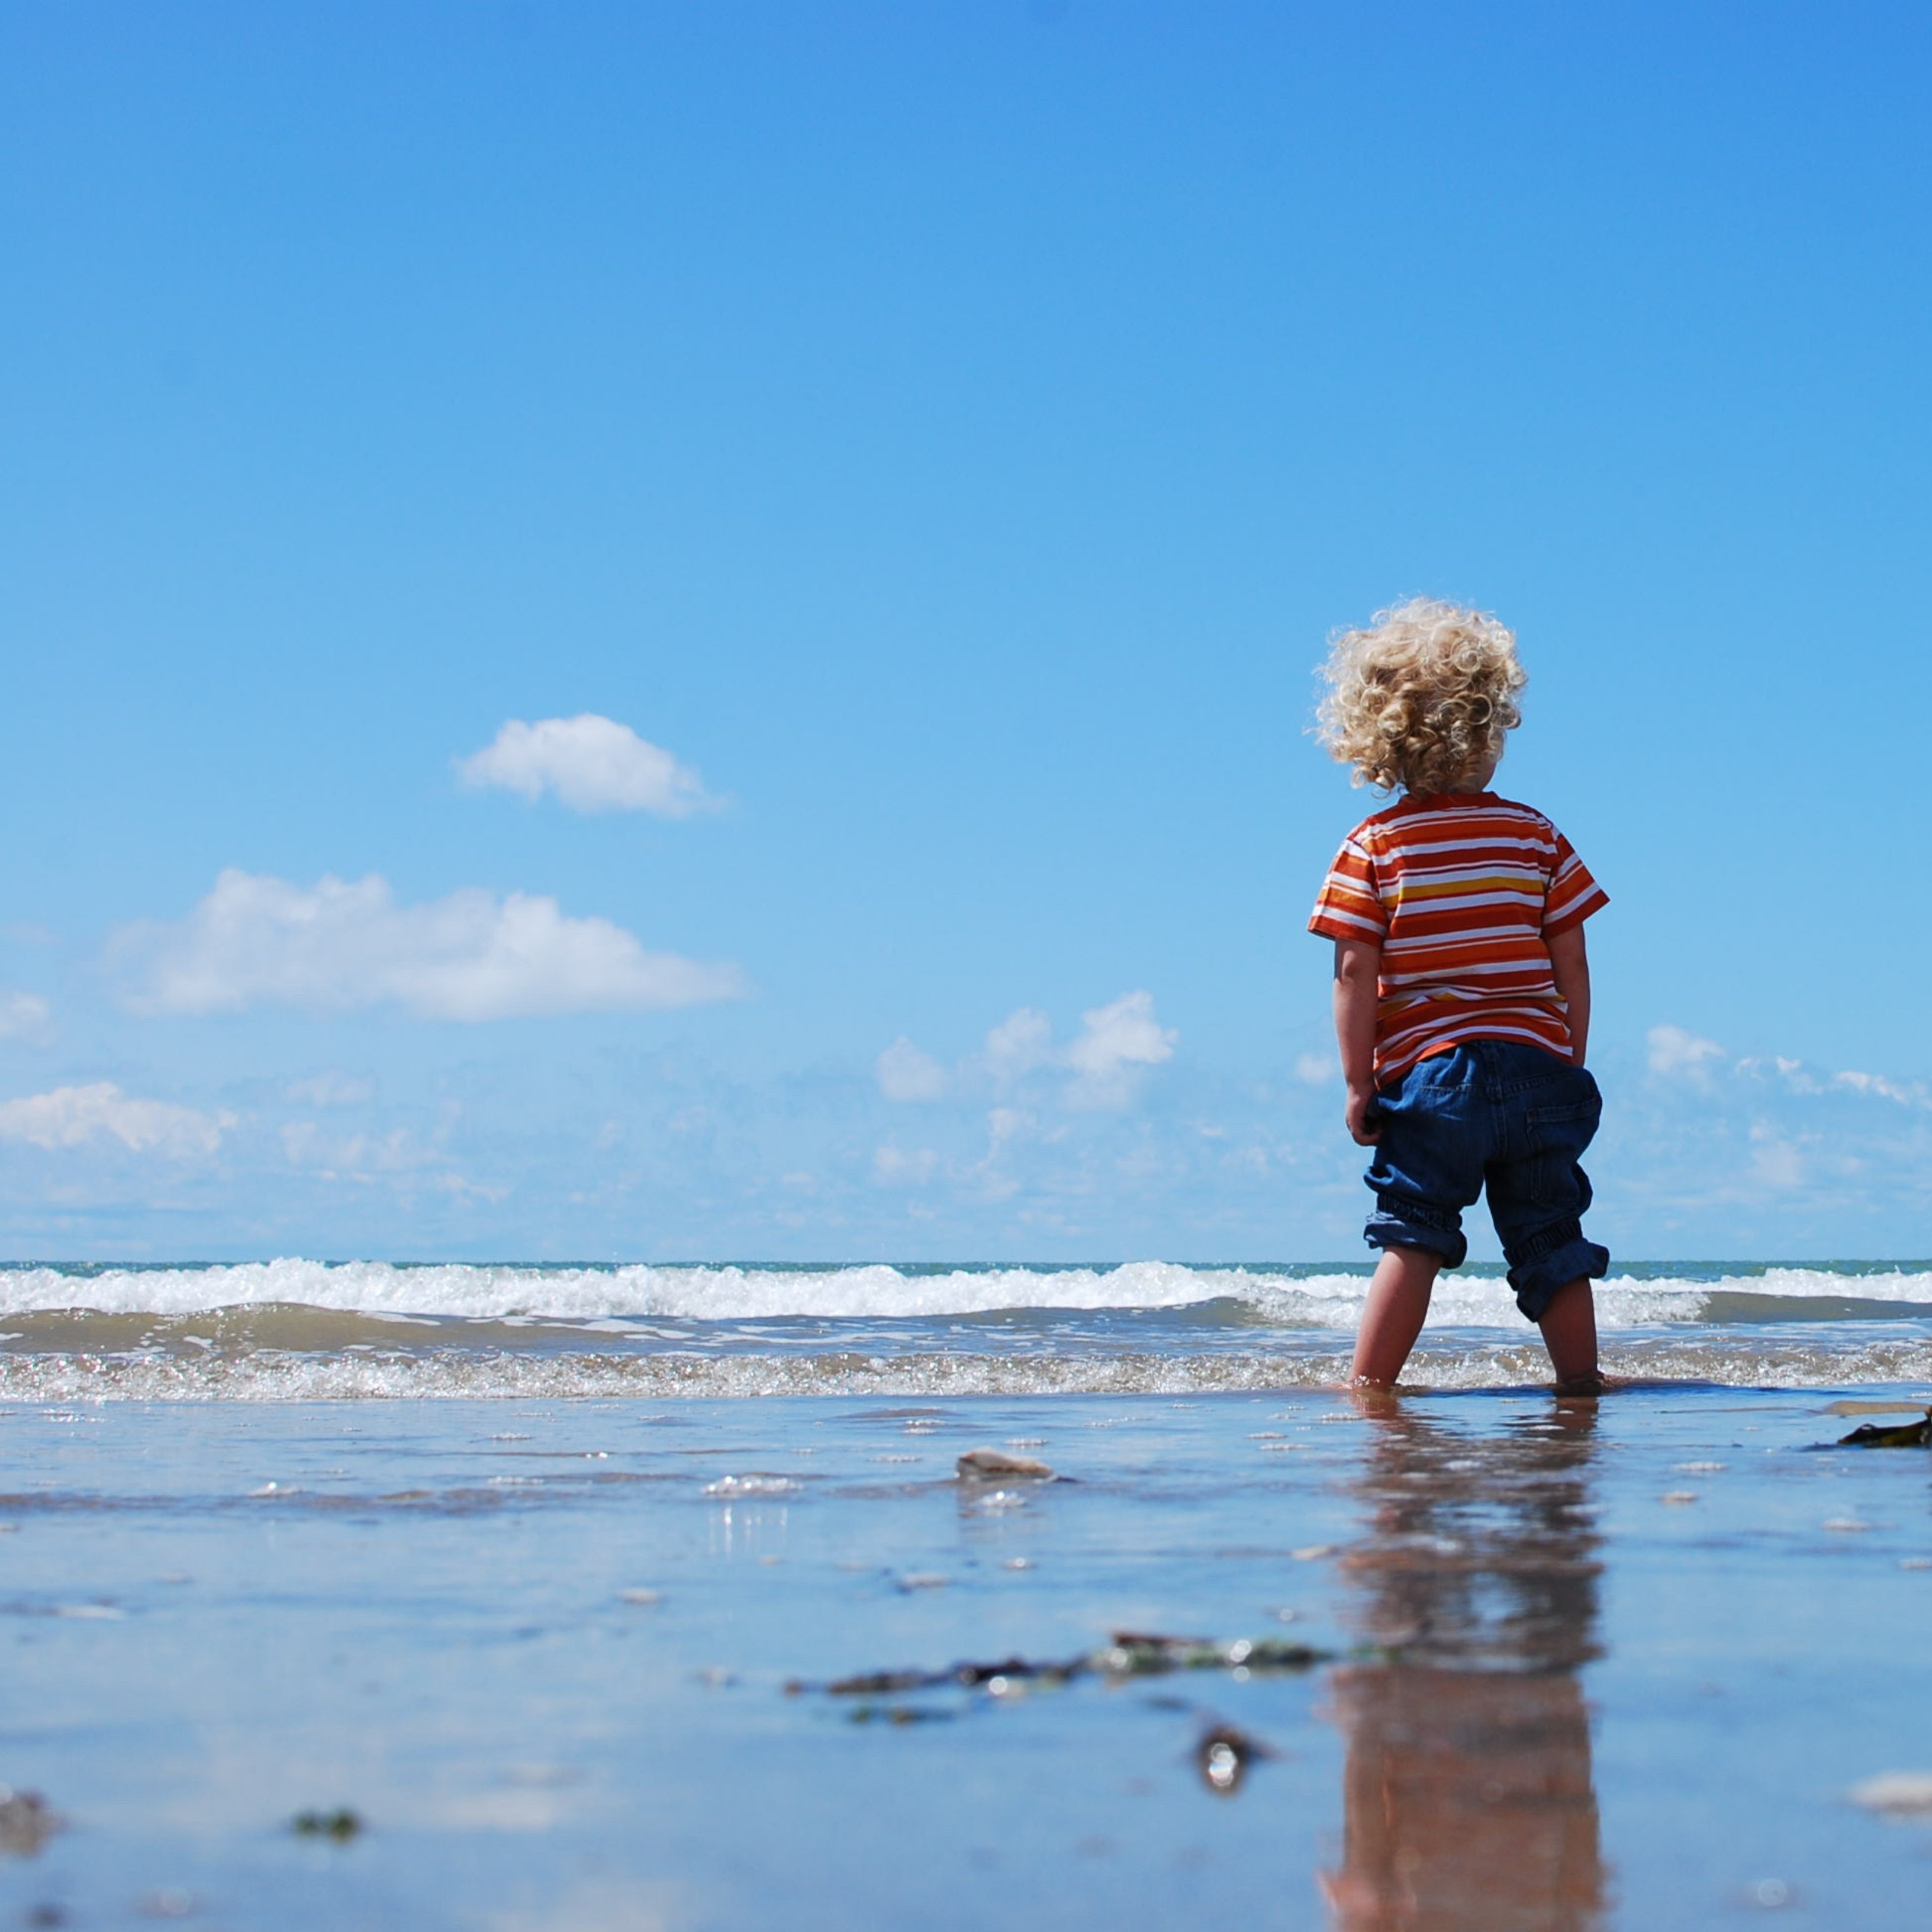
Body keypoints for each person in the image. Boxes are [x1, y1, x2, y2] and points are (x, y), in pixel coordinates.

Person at [1307, 598, 1609, 1391]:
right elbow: (1571, 958)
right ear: (1490, 729)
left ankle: (1370, 1390)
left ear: (1383, 741)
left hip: (1434, 1080)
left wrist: (1358, 1082)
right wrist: (1567, 1054)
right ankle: (1582, 1385)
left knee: (1414, 1236)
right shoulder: (1536, 835)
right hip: (1541, 1072)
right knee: (1551, 1236)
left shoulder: (1373, 847)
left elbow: (1353, 974)